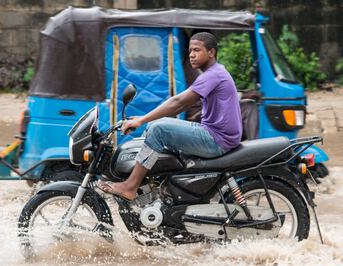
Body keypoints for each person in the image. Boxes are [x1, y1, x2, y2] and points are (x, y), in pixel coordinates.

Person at [98, 32, 242, 200]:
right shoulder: (214, 73)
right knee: (155, 126)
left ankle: (131, 186)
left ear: (211, 52)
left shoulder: (213, 75)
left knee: (159, 129)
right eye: (190, 51)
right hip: (214, 133)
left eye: (197, 50)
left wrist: (142, 120)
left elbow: (179, 102)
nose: (192, 55)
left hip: (217, 139)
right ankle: (157, 187)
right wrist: (144, 121)